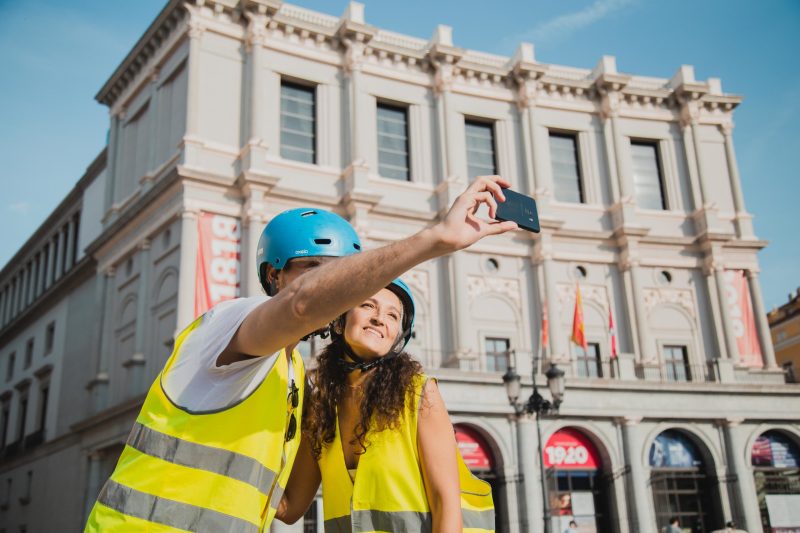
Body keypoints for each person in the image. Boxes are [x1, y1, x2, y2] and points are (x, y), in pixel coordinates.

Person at [84, 175, 517, 532]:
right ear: (274, 274)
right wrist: (435, 239)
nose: (333, 289)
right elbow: (301, 304)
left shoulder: (294, 376)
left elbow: (287, 505)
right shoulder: (231, 321)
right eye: (314, 269)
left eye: (343, 278)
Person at [275, 278, 494, 532]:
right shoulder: (320, 407)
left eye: (393, 315)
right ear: (340, 318)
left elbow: (446, 504)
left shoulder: (419, 394)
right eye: (368, 305)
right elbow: (290, 507)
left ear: (397, 337)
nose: (380, 318)